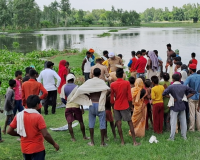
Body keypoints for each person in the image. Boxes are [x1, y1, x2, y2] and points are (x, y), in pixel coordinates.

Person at [7, 95, 59, 160]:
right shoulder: (38, 117)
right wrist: (54, 144)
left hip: (25, 149)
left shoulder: (19, 115)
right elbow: (45, 134)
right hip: (37, 148)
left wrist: (21, 134)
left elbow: (9, 131)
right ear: (37, 104)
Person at [67, 68, 110, 146]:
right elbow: (109, 90)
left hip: (91, 104)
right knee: (102, 123)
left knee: (91, 123)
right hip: (100, 104)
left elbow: (80, 89)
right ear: (100, 74)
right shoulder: (101, 82)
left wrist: (88, 96)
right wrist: (103, 97)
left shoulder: (89, 82)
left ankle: (92, 142)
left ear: (92, 74)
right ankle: (102, 143)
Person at [110, 68, 140, 146]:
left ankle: (122, 141)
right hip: (125, 105)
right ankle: (134, 141)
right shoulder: (126, 83)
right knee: (130, 122)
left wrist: (113, 107)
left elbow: (111, 98)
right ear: (123, 74)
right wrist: (130, 106)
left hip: (117, 106)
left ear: (116, 75)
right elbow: (129, 97)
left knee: (119, 124)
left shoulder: (112, 84)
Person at [163, 74, 196, 141]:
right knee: (183, 122)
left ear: (173, 79)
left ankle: (172, 138)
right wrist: (186, 97)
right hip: (182, 105)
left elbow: (164, 94)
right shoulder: (183, 86)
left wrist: (171, 97)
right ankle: (184, 137)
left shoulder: (171, 87)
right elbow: (193, 92)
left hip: (174, 106)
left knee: (173, 122)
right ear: (180, 79)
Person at [64, 74, 89, 141]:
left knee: (69, 123)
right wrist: (82, 108)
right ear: (73, 79)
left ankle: (73, 138)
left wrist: (66, 103)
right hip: (76, 106)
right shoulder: (77, 87)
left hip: (68, 106)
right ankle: (84, 136)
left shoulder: (64, 87)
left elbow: (63, 98)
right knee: (81, 121)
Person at [184, 64, 200, 131]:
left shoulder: (189, 77)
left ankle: (192, 128)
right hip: (199, 97)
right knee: (198, 113)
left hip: (191, 96)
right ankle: (199, 128)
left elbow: (184, 85)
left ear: (190, 69)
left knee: (192, 113)